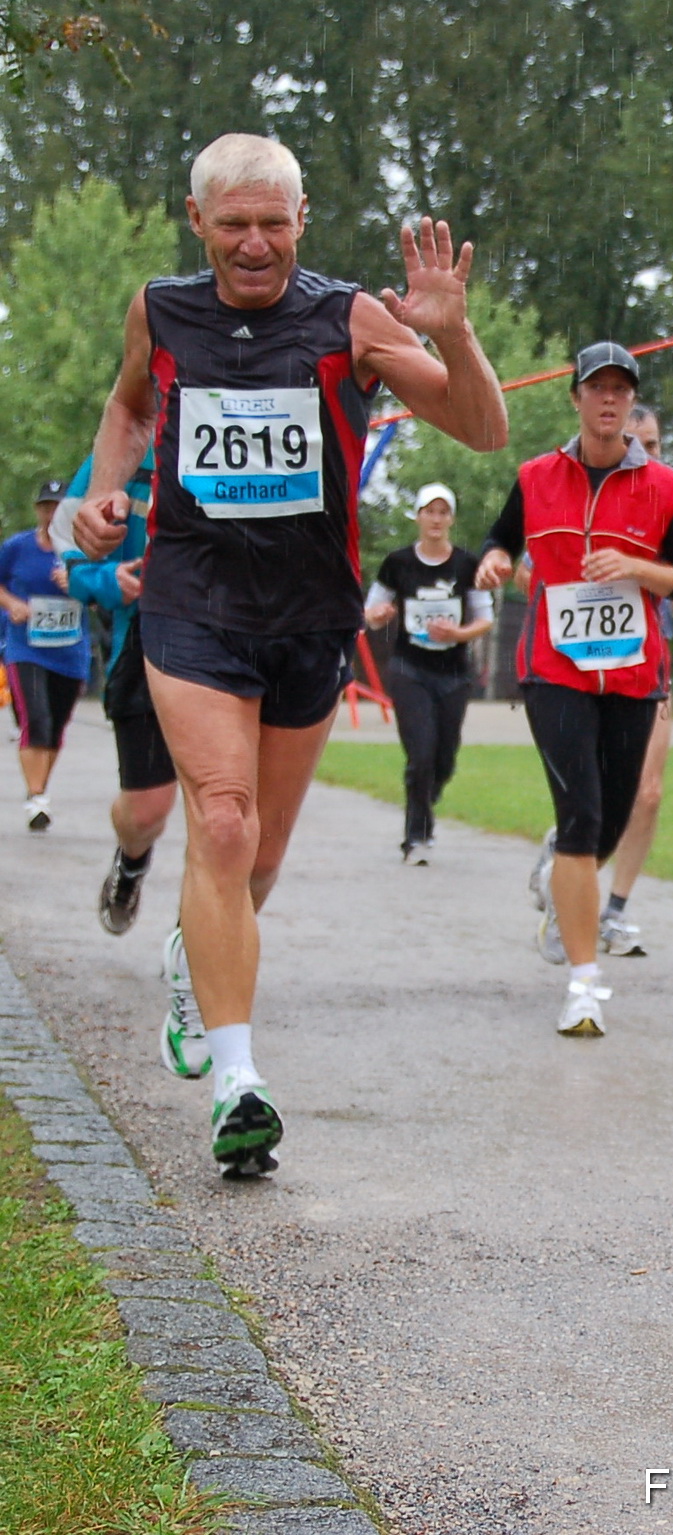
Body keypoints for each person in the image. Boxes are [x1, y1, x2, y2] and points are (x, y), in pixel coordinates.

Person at [73, 131, 506, 1176]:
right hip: (192, 602)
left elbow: (483, 428)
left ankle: (197, 953)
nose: (255, 244)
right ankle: (238, 1081)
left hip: (311, 618)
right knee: (221, 823)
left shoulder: (346, 317)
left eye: (274, 223)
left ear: (301, 220)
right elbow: (132, 404)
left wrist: (456, 334)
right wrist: (99, 489)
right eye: (234, 226)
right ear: (197, 223)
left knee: (255, 861)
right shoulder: (160, 309)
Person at [477, 342, 673, 1037]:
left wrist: (639, 567)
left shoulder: (667, 488)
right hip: (554, 670)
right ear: (575, 398)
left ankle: (561, 878)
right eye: (596, 388)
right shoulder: (535, 476)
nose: (609, 401)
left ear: (629, 402)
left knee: (611, 818)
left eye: (621, 390)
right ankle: (583, 982)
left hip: (634, 673)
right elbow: (500, 540)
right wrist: (493, 560)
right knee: (581, 816)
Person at [58, 452, 208, 1079]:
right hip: (142, 642)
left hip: (230, 638)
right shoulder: (115, 460)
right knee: (147, 810)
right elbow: (68, 560)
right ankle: (131, 861)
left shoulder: (245, 423)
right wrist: (109, 580)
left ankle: (197, 947)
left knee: (218, 808)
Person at [527, 401, 673, 957]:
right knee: (587, 800)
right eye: (638, 440)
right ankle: (570, 879)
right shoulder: (574, 492)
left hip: (644, 660)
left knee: (646, 792)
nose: (647, 452)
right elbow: (532, 562)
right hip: (575, 664)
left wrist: (648, 572)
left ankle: (612, 908)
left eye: (657, 443)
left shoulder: (668, 500)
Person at [364, 481, 494, 863]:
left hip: (453, 672)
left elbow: (485, 619)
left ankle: (425, 799)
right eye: (429, 512)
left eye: (443, 512)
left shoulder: (466, 565)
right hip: (410, 668)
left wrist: (458, 633)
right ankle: (416, 837)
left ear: (451, 519)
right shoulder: (398, 563)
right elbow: (371, 612)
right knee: (420, 753)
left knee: (444, 758)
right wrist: (379, 615)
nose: (436, 519)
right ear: (418, 517)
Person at [0, 480, 90, 831]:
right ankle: (37, 798)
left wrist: (78, 584)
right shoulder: (17, 547)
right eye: (46, 506)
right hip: (27, 648)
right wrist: (12, 604)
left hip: (69, 651)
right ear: (38, 510)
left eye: (58, 507)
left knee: (54, 726)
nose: (51, 513)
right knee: (35, 719)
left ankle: (38, 790)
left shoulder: (83, 548)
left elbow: (105, 586)